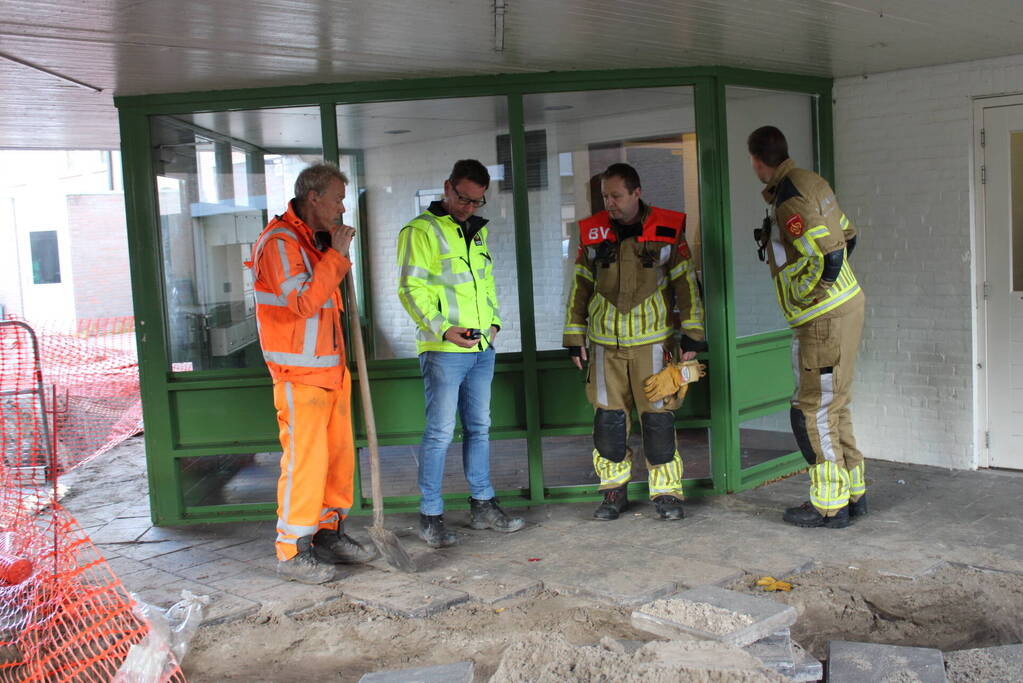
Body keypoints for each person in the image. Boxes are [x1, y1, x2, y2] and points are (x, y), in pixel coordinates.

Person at [249, 162, 377, 584]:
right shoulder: (281, 242)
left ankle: (327, 532)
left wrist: (332, 254)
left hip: (330, 371)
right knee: (304, 462)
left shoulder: (310, 240)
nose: (342, 207)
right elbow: (303, 302)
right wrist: (336, 257)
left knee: (336, 460)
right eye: (338, 198)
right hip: (298, 374)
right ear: (313, 197)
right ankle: (292, 548)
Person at [563, 162, 705, 521]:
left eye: (616, 195)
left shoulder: (667, 229)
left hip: (653, 345)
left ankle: (667, 494)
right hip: (603, 346)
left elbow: (685, 284)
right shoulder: (593, 233)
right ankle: (613, 492)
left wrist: (693, 335)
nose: (609, 203)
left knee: (658, 421)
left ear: (636, 193)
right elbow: (580, 285)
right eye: (605, 196)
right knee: (608, 423)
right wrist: (573, 336)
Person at [396, 159, 525, 548]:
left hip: (482, 347)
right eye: (464, 199)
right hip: (443, 349)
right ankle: (430, 515)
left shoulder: (475, 232)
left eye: (477, 202)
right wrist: (443, 329)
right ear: (447, 187)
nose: (469, 208)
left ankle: (482, 504)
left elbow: (486, 285)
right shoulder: (420, 231)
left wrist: (496, 323)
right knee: (439, 432)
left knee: (480, 428)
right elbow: (409, 290)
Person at [748, 125, 867, 529]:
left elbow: (833, 253)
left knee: (811, 411)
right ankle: (854, 493)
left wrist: (812, 295)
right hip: (846, 307)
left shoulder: (789, 199)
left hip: (824, 319)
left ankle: (829, 505)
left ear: (757, 161)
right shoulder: (811, 180)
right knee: (836, 405)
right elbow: (849, 237)